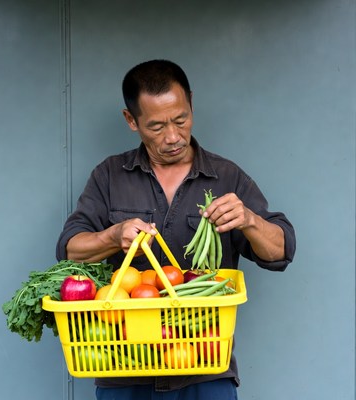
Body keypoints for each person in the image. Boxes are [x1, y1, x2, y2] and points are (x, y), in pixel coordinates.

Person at [56, 59, 296, 400]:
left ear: (191, 105)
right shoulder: (110, 176)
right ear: (131, 120)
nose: (173, 137)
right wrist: (112, 236)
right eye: (156, 127)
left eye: (181, 120)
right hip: (125, 369)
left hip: (206, 369)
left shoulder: (226, 177)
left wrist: (250, 220)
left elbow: (281, 251)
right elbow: (69, 248)